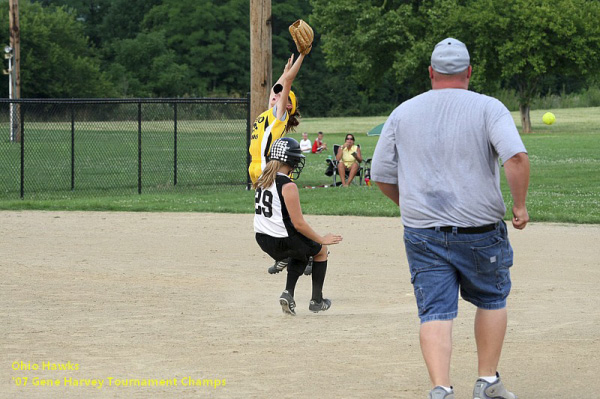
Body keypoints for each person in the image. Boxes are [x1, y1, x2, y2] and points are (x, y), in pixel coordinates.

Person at [371, 38, 530, 399]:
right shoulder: (489, 108)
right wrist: (519, 207)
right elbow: (516, 158)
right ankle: (487, 381)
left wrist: (409, 204)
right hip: (480, 230)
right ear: (469, 72)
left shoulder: (403, 112)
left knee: (435, 311)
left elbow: (381, 173)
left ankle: (441, 388)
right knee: (491, 298)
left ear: (431, 72)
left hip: (422, 232)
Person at [253, 137, 343, 315]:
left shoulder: (263, 178)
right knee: (320, 250)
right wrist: (320, 239)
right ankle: (317, 301)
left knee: (300, 252)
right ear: (292, 160)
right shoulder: (287, 185)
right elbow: (299, 223)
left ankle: (288, 294)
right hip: (282, 239)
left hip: (262, 239)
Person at [248, 53, 305, 185]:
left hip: (267, 165)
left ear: (288, 105)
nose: (276, 94)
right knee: (263, 205)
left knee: (275, 204)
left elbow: (288, 81)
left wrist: (302, 55)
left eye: (282, 95)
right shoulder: (269, 114)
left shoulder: (280, 114)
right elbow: (275, 89)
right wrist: (285, 72)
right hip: (256, 165)